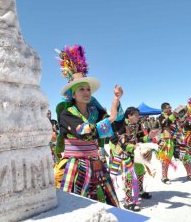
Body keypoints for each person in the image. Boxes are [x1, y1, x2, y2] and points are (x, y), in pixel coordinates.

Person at [54, 45, 121, 207]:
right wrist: (110, 118)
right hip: (75, 166)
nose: (86, 92)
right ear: (73, 94)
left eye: (88, 89)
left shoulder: (94, 112)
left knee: (106, 205)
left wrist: (115, 101)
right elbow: (84, 133)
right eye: (81, 89)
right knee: (74, 206)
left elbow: (117, 126)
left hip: (96, 164)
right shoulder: (66, 114)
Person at [109, 107, 158, 211]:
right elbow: (120, 143)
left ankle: (139, 191)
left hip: (134, 151)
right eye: (135, 114)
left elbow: (139, 138)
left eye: (138, 114)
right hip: (123, 153)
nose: (137, 116)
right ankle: (128, 200)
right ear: (129, 116)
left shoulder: (138, 125)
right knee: (129, 176)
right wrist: (134, 147)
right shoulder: (122, 126)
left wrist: (149, 136)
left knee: (140, 170)